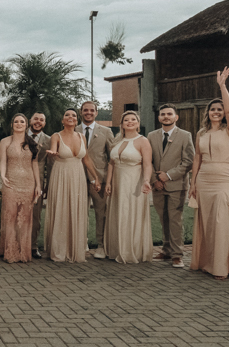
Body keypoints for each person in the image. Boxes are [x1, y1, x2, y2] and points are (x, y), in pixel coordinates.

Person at [189, 68, 229, 280]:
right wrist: (193, 183)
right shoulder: (201, 133)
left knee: (222, 220)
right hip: (204, 179)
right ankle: (206, 262)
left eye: (219, 109)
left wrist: (222, 86)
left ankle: (221, 266)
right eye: (213, 109)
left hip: (226, 177)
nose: (216, 112)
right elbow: (197, 158)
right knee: (207, 222)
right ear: (207, 113)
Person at [43, 108, 103, 262]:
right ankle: (59, 250)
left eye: (74, 115)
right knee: (62, 209)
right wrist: (52, 153)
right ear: (62, 120)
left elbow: (86, 159)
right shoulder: (56, 136)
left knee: (77, 209)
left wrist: (96, 177)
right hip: (61, 175)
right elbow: (53, 151)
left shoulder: (81, 136)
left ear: (77, 120)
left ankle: (74, 249)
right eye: (67, 115)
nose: (70, 117)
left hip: (78, 177)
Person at [104, 111, 155, 264]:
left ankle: (132, 250)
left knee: (130, 212)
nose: (130, 122)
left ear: (138, 124)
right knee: (118, 212)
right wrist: (108, 182)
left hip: (134, 181)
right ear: (122, 124)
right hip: (117, 183)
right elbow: (111, 163)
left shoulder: (143, 141)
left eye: (133, 119)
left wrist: (146, 181)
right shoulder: (117, 141)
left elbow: (147, 164)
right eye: (126, 120)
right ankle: (117, 249)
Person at [147, 105, 194, 268]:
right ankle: (166, 250)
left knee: (175, 220)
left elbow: (189, 161)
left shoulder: (185, 135)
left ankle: (177, 254)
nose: (166, 116)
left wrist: (167, 175)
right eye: (163, 114)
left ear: (176, 117)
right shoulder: (151, 136)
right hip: (157, 186)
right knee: (163, 219)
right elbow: (148, 160)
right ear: (159, 117)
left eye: (169, 114)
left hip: (176, 185)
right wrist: (155, 179)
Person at [0, 114, 42, 263]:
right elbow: (3, 161)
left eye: (22, 121)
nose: (19, 124)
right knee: (10, 216)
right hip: (10, 182)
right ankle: (10, 251)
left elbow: (35, 165)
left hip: (28, 183)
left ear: (26, 125)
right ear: (12, 124)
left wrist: (38, 185)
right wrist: (2, 175)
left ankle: (23, 252)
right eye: (16, 121)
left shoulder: (32, 143)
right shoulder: (5, 142)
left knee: (25, 217)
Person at [78, 102, 114, 258]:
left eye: (92, 110)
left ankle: (101, 245)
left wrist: (109, 180)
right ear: (81, 112)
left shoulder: (106, 131)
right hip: (77, 177)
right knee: (79, 211)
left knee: (101, 213)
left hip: (99, 178)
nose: (88, 113)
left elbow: (112, 157)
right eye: (85, 110)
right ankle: (81, 242)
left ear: (96, 113)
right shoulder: (73, 130)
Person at [28, 112, 51, 259]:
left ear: (44, 123)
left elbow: (50, 164)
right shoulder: (19, 134)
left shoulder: (49, 140)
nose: (38, 122)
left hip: (38, 182)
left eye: (41, 120)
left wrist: (47, 185)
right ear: (30, 120)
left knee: (36, 216)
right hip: (20, 179)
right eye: (35, 118)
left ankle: (33, 246)